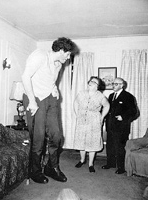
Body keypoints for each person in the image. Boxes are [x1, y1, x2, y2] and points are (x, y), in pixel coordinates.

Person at [22, 37, 79, 184]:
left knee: (57, 136)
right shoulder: (40, 55)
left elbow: (50, 81)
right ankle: (35, 171)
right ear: (61, 50)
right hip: (35, 98)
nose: (68, 57)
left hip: (50, 99)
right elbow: (25, 76)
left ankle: (51, 167)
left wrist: (55, 88)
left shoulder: (59, 65)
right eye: (67, 54)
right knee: (38, 138)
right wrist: (32, 102)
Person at [102, 77, 138, 174]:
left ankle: (121, 167)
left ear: (122, 85)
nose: (113, 85)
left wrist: (123, 117)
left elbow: (134, 112)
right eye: (113, 84)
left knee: (120, 147)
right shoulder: (111, 96)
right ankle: (110, 163)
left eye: (116, 84)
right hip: (110, 126)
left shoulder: (128, 96)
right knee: (110, 146)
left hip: (121, 128)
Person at [73, 76, 110, 173]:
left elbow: (107, 106)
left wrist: (101, 117)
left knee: (92, 142)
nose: (91, 82)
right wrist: (77, 114)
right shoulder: (81, 93)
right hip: (81, 120)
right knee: (81, 141)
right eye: (90, 81)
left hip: (94, 121)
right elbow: (76, 103)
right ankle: (82, 160)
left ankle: (90, 164)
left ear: (97, 86)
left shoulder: (100, 96)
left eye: (94, 82)